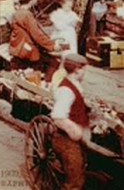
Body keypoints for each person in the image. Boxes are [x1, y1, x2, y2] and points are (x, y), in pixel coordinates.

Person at [50, 54, 90, 190]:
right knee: (75, 180)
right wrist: (75, 130)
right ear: (77, 69)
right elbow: (58, 116)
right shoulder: (66, 90)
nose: (85, 73)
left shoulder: (75, 85)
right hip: (65, 140)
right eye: (84, 69)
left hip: (74, 137)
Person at [9, 0, 62, 73]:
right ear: (30, 1)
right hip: (27, 51)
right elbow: (37, 35)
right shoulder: (27, 15)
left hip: (17, 48)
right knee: (53, 63)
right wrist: (52, 46)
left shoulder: (17, 13)